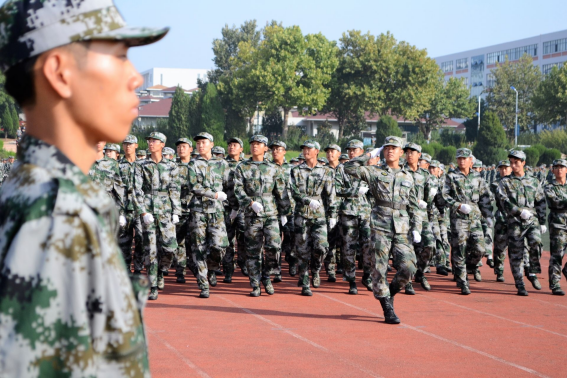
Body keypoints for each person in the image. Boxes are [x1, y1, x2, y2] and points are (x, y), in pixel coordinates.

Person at [0, 0, 168, 375]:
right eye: (120, 56)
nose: (135, 77)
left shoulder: (36, 193)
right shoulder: (57, 216)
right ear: (60, 73)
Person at [343, 136, 421, 324]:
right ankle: (387, 306)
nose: (390, 151)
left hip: (402, 228)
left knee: (409, 267)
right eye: (386, 148)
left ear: (401, 152)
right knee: (380, 267)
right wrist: (369, 154)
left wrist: (417, 228)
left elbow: (414, 206)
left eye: (394, 148)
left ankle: (390, 292)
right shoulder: (374, 172)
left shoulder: (408, 176)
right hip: (380, 225)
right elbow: (349, 167)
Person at [234, 135, 290, 296]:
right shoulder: (242, 167)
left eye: (258, 144)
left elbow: (281, 191)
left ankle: (267, 275)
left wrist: (285, 213)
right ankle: (255, 283)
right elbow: (238, 189)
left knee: (274, 247)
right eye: (252, 144)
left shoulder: (273, 168)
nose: (254, 147)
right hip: (251, 214)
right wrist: (250, 203)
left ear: (266, 148)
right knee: (253, 251)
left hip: (271, 213)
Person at [134, 131, 180, 300]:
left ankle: (161, 271)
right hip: (149, 211)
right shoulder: (141, 165)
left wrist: (176, 211)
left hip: (166, 211)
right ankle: (153, 285)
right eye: (150, 141)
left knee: (170, 247)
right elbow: (136, 190)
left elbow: (175, 189)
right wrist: (143, 212)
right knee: (150, 250)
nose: (151, 143)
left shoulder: (171, 166)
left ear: (162, 144)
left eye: (155, 141)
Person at [441, 148, 493, 295]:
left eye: (465, 158)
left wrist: (488, 215)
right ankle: (463, 281)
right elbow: (444, 195)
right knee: (460, 249)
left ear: (471, 160)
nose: (462, 160)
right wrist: (458, 205)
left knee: (480, 249)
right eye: (459, 158)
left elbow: (484, 198)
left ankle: (468, 267)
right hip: (459, 218)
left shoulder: (478, 177)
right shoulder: (451, 177)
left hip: (475, 217)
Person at [290, 140, 337, 296]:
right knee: (302, 250)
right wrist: (307, 200)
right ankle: (304, 282)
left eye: (309, 148)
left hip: (319, 216)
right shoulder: (295, 171)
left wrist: (332, 215)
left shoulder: (326, 171)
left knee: (321, 247)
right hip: (302, 214)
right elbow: (295, 192)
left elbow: (331, 195)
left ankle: (316, 269)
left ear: (317, 151)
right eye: (304, 148)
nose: (306, 151)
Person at [497, 149, 546, 296]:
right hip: (514, 222)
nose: (513, 166)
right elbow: (503, 201)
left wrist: (542, 222)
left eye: (516, 163)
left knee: (536, 243)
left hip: (532, 220)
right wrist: (519, 212)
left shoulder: (533, 181)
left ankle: (532, 272)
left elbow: (540, 202)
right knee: (516, 254)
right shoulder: (505, 182)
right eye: (511, 163)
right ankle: (520, 284)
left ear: (523, 163)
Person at [187, 132, 230, 298]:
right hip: (198, 211)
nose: (201, 145)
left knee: (220, 246)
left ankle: (211, 267)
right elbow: (194, 187)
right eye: (198, 143)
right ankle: (203, 284)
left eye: (204, 142)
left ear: (211, 144)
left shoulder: (222, 164)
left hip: (217, 211)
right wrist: (214, 194)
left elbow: (229, 185)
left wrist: (233, 207)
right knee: (199, 248)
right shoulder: (193, 164)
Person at [335, 140, 372, 294]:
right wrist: (355, 191)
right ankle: (351, 281)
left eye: (355, 150)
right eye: (349, 150)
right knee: (348, 247)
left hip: (366, 212)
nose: (351, 153)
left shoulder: (368, 169)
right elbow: (338, 189)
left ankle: (367, 275)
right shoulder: (341, 169)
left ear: (361, 152)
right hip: (348, 212)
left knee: (368, 245)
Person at [403, 142, 436, 293]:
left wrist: (426, 203)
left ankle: (420, 272)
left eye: (412, 152)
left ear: (419, 155)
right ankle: (407, 280)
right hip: (405, 216)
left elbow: (430, 196)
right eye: (407, 152)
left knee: (429, 245)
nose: (409, 154)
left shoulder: (425, 175)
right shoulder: (401, 172)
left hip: (422, 217)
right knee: (408, 250)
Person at [270, 140, 297, 278]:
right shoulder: (267, 167)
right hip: (273, 209)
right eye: (273, 149)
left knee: (292, 237)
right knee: (274, 239)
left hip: (290, 209)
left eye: (278, 149)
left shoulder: (291, 169)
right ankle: (276, 269)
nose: (275, 151)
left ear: (284, 151)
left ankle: (292, 260)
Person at [118, 134, 144, 273]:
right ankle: (126, 270)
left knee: (141, 238)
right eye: (125, 144)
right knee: (124, 242)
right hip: (124, 208)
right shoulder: (118, 165)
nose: (128, 146)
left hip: (139, 208)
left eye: (130, 144)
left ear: (136, 145)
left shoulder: (143, 165)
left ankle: (138, 268)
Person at [223, 137, 246, 281]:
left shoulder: (246, 165)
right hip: (227, 207)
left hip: (243, 208)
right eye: (230, 145)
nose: (232, 147)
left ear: (241, 148)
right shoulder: (222, 164)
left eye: (235, 145)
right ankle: (228, 270)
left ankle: (243, 263)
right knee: (227, 240)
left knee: (244, 237)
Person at [543, 159, 567, 295]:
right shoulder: (549, 187)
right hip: (558, 223)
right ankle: (555, 283)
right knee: (558, 254)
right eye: (556, 167)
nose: (559, 169)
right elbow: (556, 202)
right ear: (552, 170)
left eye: (562, 167)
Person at [173, 137, 194, 283]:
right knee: (179, 241)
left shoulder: (197, 166)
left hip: (195, 209)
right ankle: (180, 271)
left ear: (190, 149)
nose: (181, 149)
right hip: (179, 209)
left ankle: (196, 268)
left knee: (195, 242)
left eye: (184, 146)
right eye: (179, 146)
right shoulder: (172, 167)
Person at [323, 143, 343, 282]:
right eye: (328, 151)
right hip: (327, 211)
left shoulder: (345, 170)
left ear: (339, 154)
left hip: (344, 210)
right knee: (330, 241)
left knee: (344, 241)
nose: (330, 154)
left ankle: (342, 267)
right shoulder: (323, 170)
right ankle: (330, 270)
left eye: (333, 151)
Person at [90, 141, 125, 213]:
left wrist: (120, 212)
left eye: (101, 140)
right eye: (96, 139)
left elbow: (118, 188)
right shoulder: (84, 161)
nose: (98, 142)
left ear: (104, 142)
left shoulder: (112, 164)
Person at [491, 160, 512, 282]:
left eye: (506, 168)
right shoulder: (495, 184)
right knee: (500, 246)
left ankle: (523, 270)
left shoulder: (516, 182)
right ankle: (499, 271)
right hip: (502, 217)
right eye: (501, 168)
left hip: (516, 218)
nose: (504, 170)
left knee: (520, 247)